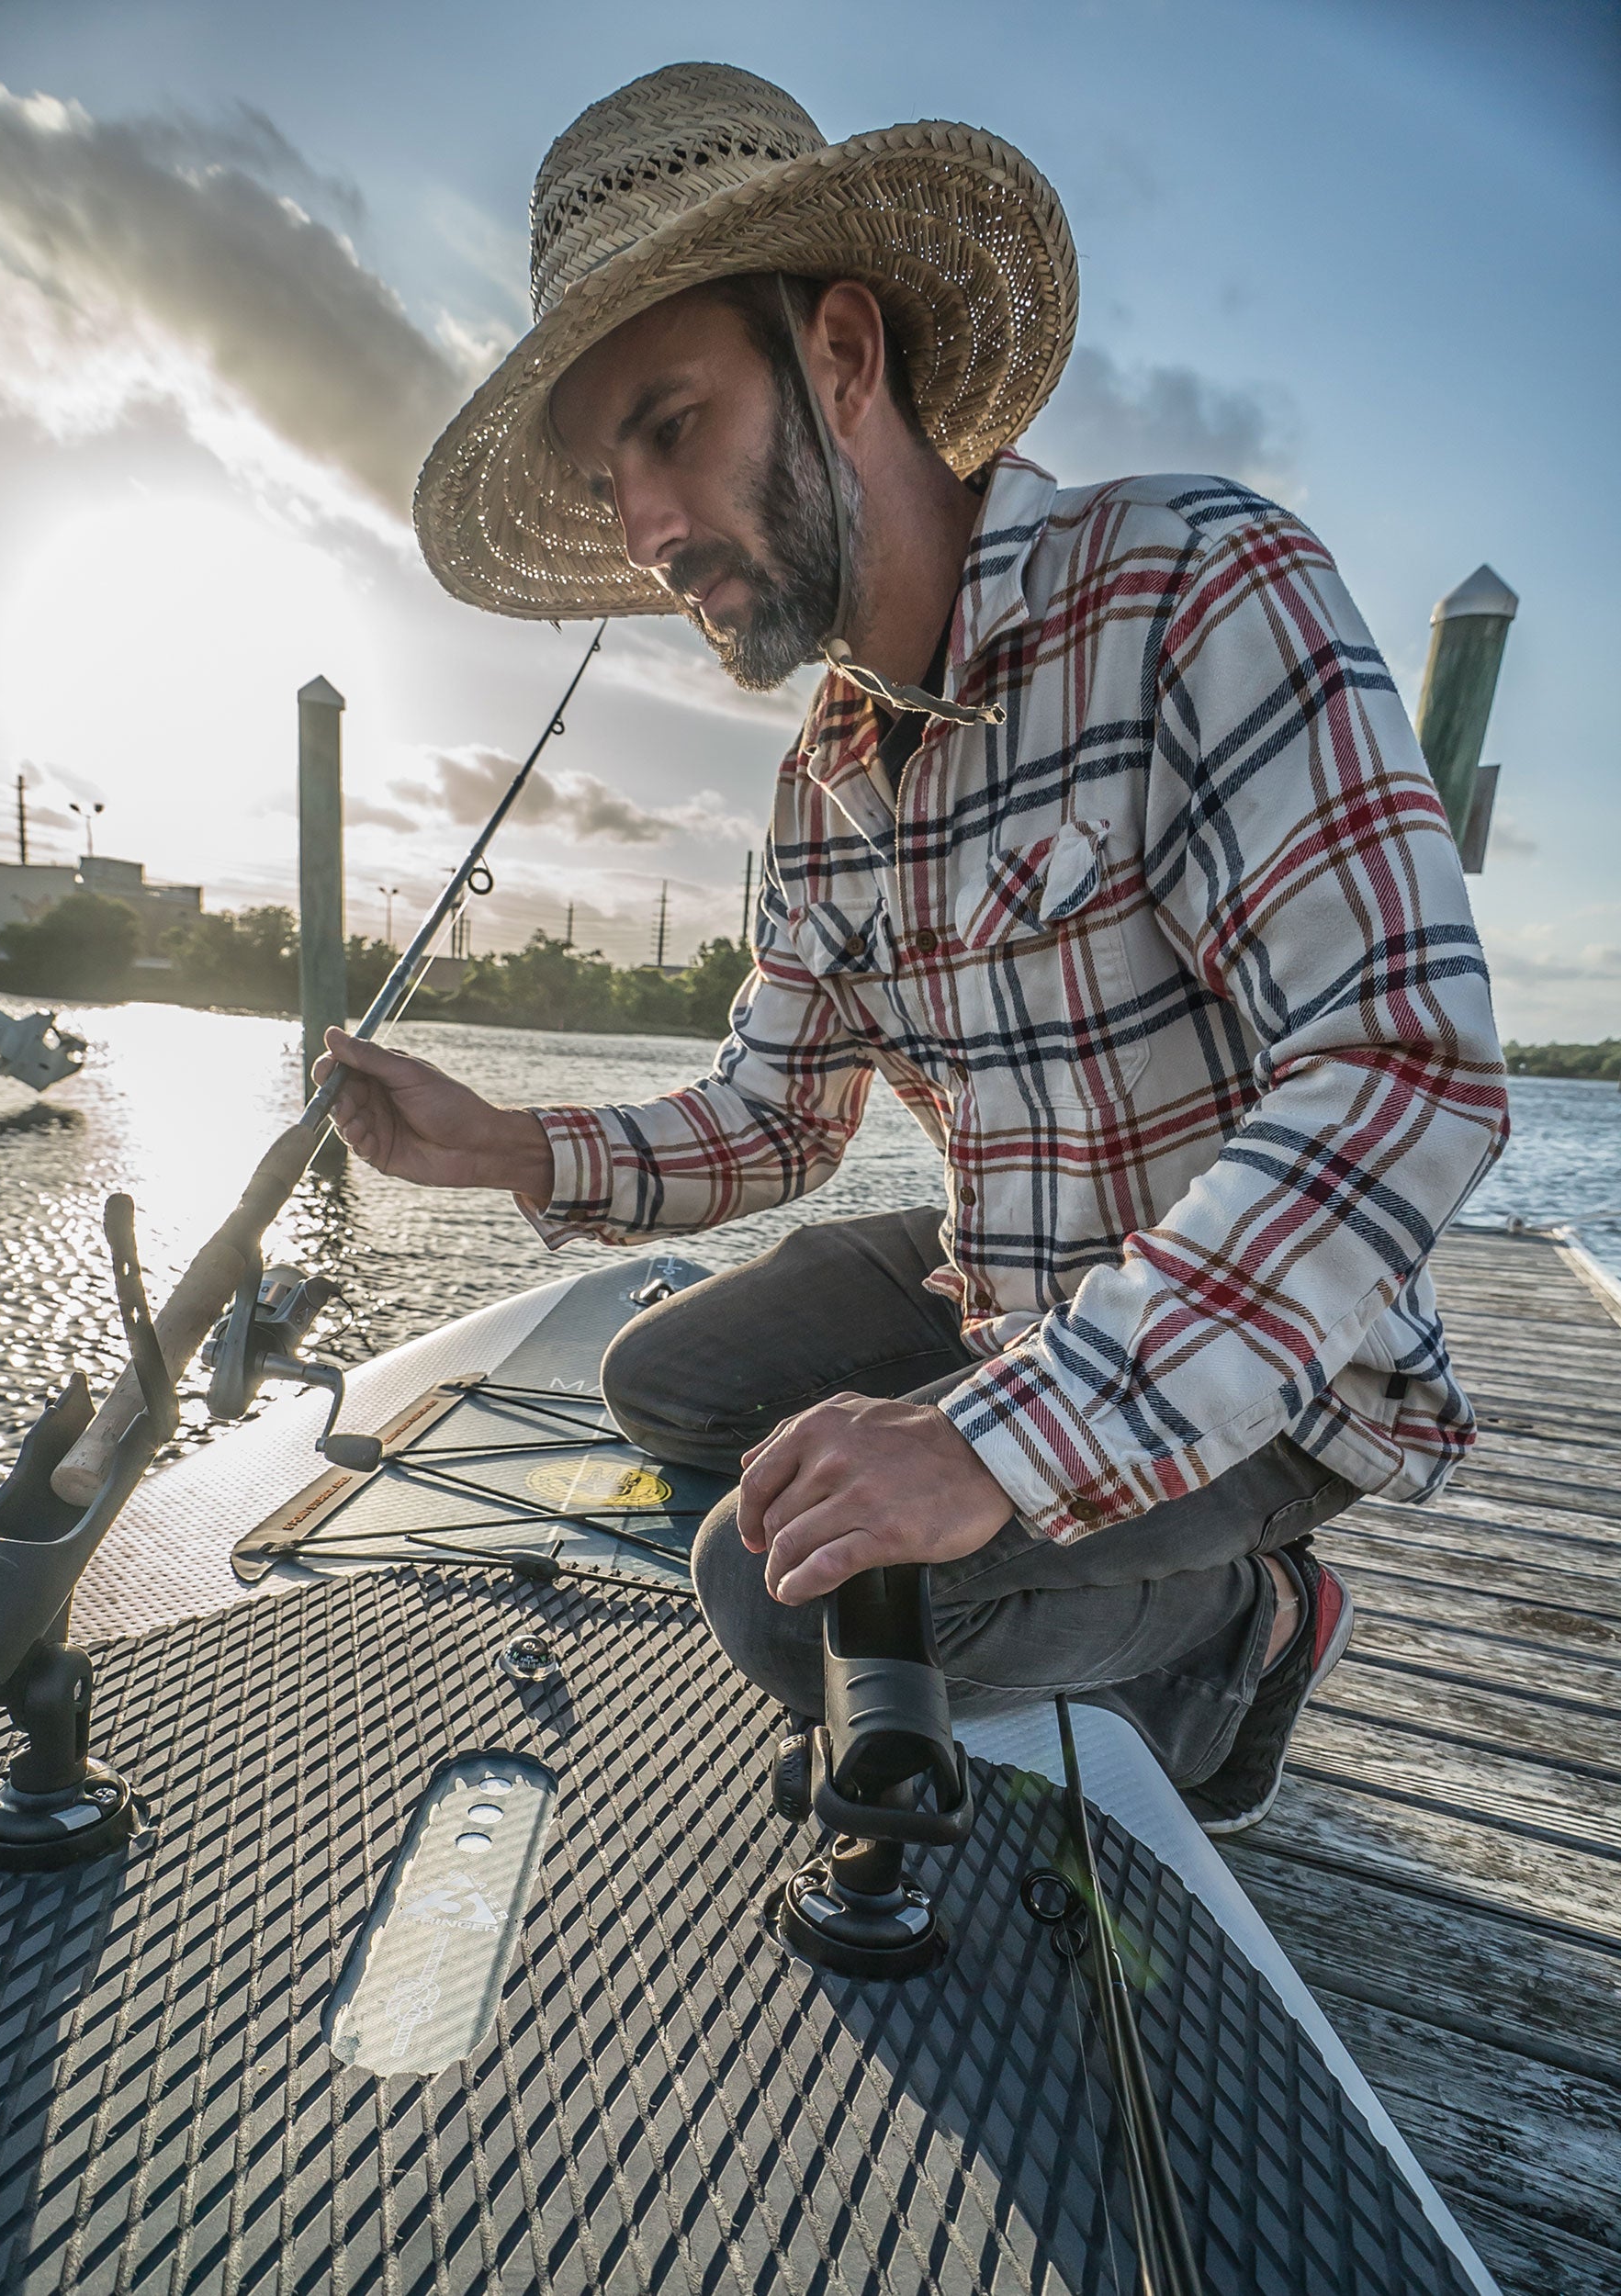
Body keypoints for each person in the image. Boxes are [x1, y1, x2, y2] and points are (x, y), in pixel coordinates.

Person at [318, 63, 1508, 1833]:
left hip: (1269, 1370)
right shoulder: (821, 784)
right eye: (609, 474)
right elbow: (776, 1119)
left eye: (670, 424)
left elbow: (1404, 1068)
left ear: (847, 356)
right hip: (995, 1286)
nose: (647, 530)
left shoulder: (1194, 582)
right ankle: (1015, 1471)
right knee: (662, 1382)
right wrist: (506, 1144)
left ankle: (1247, 1624)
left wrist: (987, 1442)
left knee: (763, 1586)